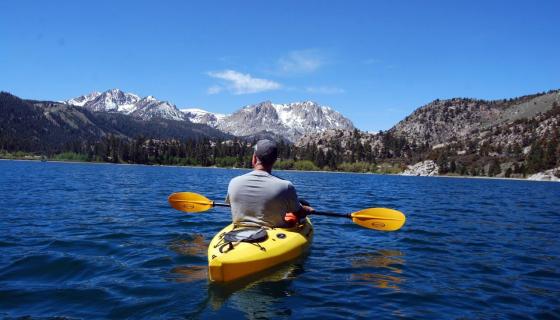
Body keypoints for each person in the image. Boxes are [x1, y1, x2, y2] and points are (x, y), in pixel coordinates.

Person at [225, 139, 314, 228]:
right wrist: (306, 209)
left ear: (254, 158)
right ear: (274, 161)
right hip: (274, 237)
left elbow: (230, 204)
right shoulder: (286, 186)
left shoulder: (234, 182)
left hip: (238, 234)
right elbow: (299, 212)